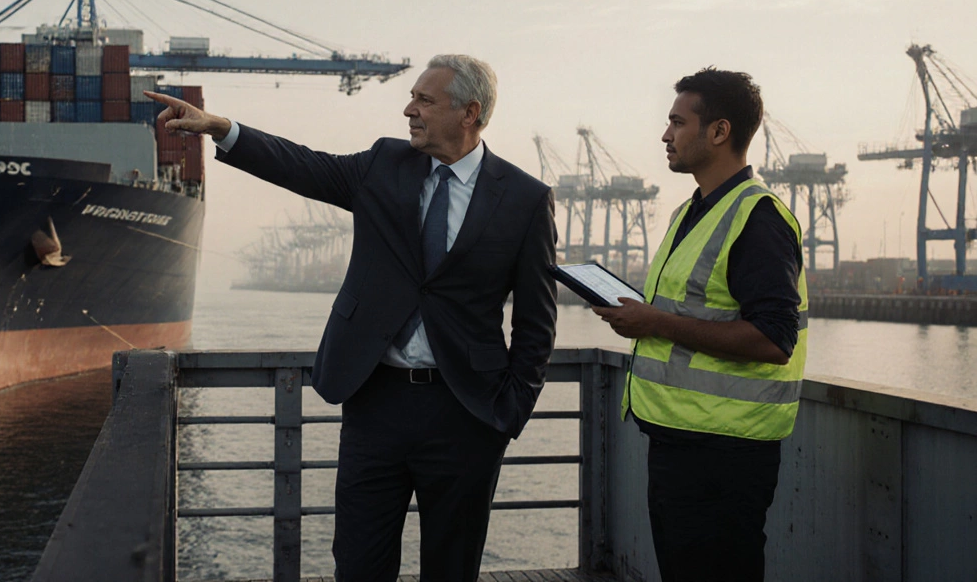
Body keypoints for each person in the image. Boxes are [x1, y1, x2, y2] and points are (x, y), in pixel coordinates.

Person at [145, 54, 558, 581]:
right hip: (375, 402)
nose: (409, 109)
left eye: (424, 101)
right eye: (412, 97)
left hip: (467, 414)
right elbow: (302, 165)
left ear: (469, 113)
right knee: (360, 563)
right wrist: (221, 128)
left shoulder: (525, 199)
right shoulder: (384, 164)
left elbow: (536, 324)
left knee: (453, 568)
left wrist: (509, 412)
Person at [592, 68, 806, 582]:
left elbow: (775, 338)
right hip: (681, 441)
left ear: (719, 131)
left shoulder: (758, 217)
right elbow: (687, 310)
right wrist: (641, 317)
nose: (665, 135)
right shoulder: (692, 212)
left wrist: (655, 322)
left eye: (676, 122)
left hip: (725, 453)